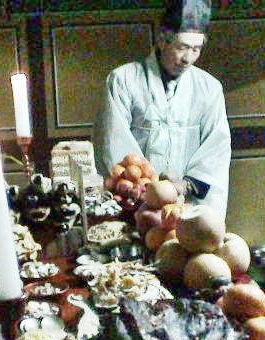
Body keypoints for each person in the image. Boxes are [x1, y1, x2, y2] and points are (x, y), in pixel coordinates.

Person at [92, 0, 232, 219]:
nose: (187, 59)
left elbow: (216, 149)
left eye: (196, 49)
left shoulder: (209, 88)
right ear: (162, 39)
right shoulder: (123, 80)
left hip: (189, 203)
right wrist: (148, 189)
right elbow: (114, 141)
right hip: (136, 203)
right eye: (182, 47)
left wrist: (183, 187)